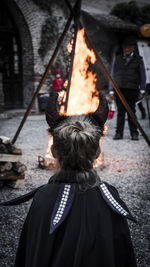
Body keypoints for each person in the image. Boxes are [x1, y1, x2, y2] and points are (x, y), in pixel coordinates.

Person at [1, 92, 137, 267]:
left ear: (54, 151)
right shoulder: (110, 198)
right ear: (97, 153)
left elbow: (32, 254)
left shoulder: (43, 198)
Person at [109, 37, 146, 140]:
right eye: (125, 47)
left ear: (133, 48)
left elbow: (143, 75)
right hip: (120, 89)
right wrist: (111, 90)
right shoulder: (118, 59)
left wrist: (142, 90)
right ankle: (118, 133)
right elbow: (112, 74)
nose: (126, 49)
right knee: (120, 112)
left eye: (129, 47)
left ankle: (134, 133)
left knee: (131, 112)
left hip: (132, 89)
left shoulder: (139, 60)